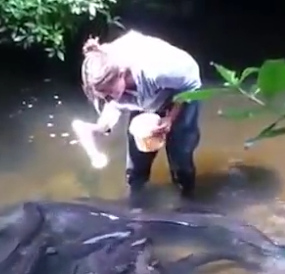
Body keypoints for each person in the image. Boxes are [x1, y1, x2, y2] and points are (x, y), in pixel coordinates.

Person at [81, 30, 201, 207]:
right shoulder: (98, 74)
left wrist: (170, 118)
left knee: (180, 153)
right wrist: (102, 128)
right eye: (103, 95)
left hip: (179, 89)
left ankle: (187, 198)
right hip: (143, 99)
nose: (108, 99)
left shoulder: (157, 71)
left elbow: (191, 84)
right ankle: (135, 200)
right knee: (137, 156)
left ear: (122, 74)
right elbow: (112, 105)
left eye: (110, 93)